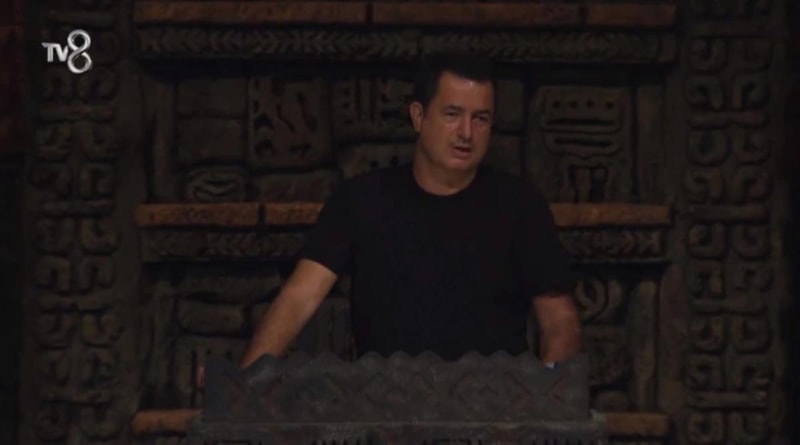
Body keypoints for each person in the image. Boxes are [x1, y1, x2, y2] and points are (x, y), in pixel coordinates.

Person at [200, 50, 582, 385]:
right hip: (385, 404)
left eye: (480, 118)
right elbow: (300, 297)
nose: (466, 133)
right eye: (452, 114)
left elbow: (559, 322)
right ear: (419, 116)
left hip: (493, 409)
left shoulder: (520, 205)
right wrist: (244, 382)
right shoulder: (361, 200)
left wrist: (544, 403)